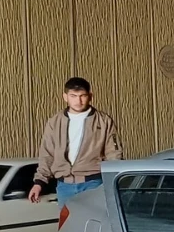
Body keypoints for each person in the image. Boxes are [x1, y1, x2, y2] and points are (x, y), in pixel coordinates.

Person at [30, 77, 122, 206]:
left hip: (93, 184)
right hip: (64, 186)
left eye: (82, 96)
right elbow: (47, 154)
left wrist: (114, 181)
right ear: (65, 97)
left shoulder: (103, 121)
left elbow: (113, 154)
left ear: (90, 96)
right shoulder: (55, 122)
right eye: (73, 96)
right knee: (67, 225)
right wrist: (39, 183)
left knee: (93, 224)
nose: (78, 101)